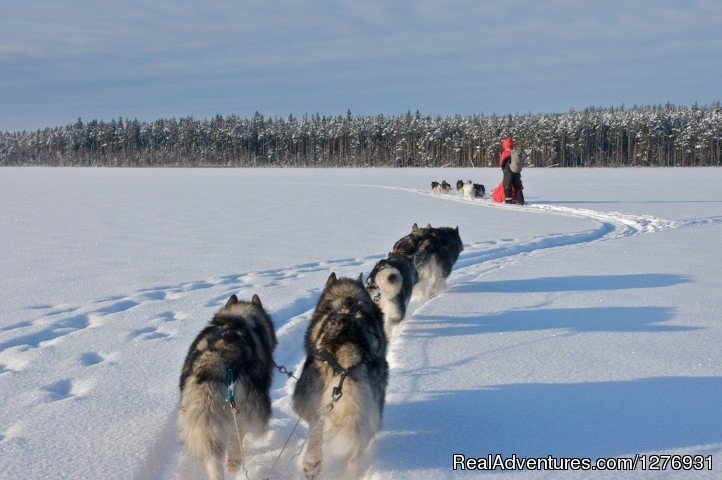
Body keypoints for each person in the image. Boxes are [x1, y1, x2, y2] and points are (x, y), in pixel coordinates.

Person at [499, 136, 525, 205]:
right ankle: (521, 201)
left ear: (505, 144)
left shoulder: (505, 152)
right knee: (518, 186)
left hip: (508, 172)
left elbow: (502, 163)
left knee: (507, 186)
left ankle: (508, 202)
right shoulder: (514, 152)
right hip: (516, 172)